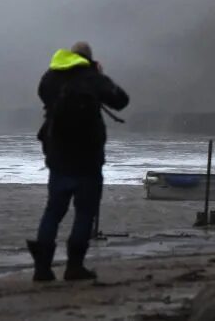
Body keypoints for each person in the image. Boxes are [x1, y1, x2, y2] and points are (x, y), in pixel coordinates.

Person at [27, 42, 129, 281]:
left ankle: (42, 268)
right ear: (88, 59)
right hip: (88, 160)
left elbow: (42, 94)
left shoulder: (50, 77)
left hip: (58, 157)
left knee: (53, 211)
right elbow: (121, 100)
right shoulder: (91, 77)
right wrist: (99, 75)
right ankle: (74, 267)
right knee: (84, 212)